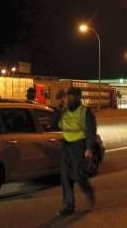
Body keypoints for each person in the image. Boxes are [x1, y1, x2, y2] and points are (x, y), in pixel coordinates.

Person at [56, 87, 96, 216]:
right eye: (68, 96)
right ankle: (68, 205)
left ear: (79, 97)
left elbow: (91, 130)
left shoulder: (85, 111)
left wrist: (89, 148)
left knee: (77, 175)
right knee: (66, 176)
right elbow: (52, 123)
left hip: (79, 146)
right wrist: (59, 107)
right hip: (66, 146)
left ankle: (89, 191)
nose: (69, 98)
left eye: (72, 96)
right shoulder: (64, 111)